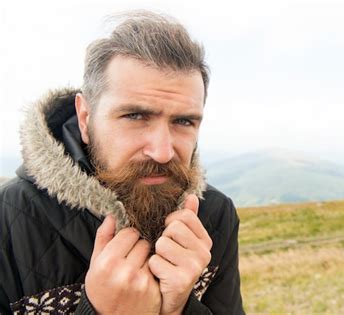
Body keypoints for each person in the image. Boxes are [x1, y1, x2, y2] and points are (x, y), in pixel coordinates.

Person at [0, 10, 244, 314]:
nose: (163, 152)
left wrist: (181, 308)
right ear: (86, 118)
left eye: (183, 121)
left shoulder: (214, 217)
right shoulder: (7, 221)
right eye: (135, 116)